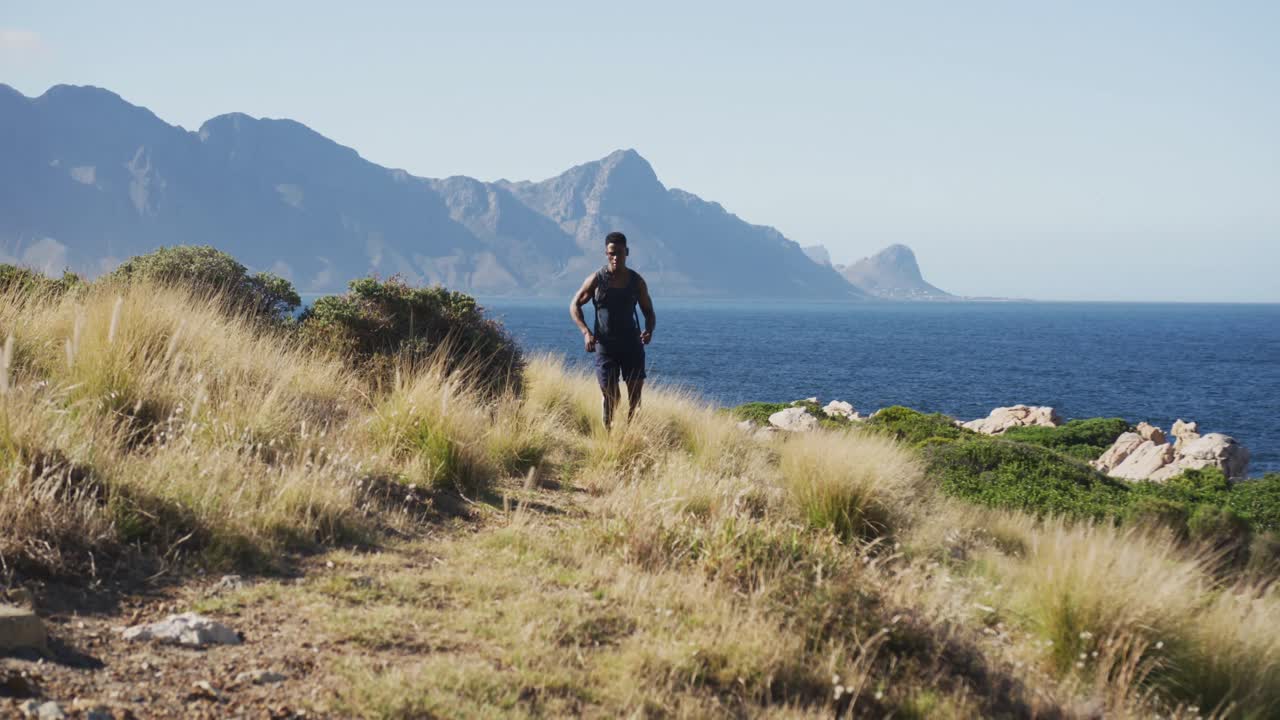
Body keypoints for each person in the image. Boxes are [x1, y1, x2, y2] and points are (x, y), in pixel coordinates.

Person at [570, 231, 656, 429]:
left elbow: (649, 312)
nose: (615, 257)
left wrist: (649, 330)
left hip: (632, 345)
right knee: (611, 396)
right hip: (605, 346)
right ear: (606, 254)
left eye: (620, 253)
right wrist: (586, 332)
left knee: (635, 398)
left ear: (627, 252)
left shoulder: (636, 282)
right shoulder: (597, 280)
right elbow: (574, 305)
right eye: (611, 253)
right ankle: (607, 434)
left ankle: (630, 436)